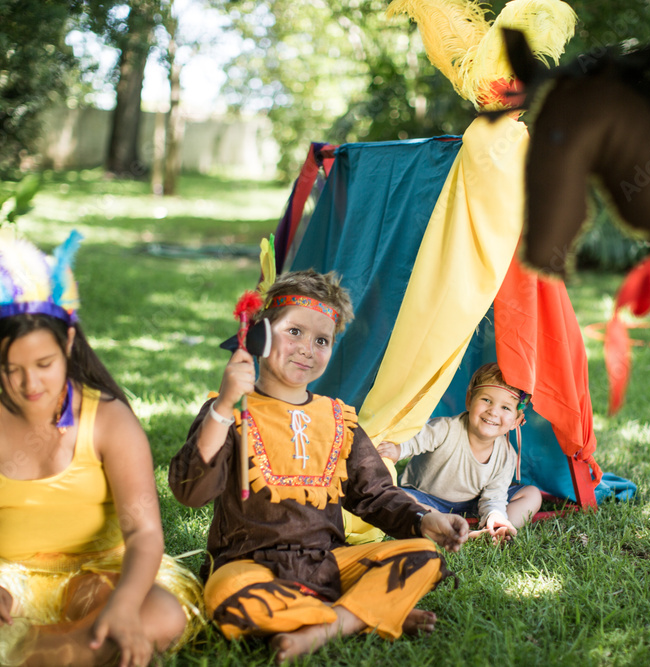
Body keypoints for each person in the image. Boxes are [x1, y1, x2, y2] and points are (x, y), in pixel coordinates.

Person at [0, 231, 203, 667]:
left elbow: (143, 533)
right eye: (11, 370)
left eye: (44, 365)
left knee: (160, 613)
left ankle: (36, 648)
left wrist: (121, 607)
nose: (30, 384)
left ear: (66, 345)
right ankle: (73, 648)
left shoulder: (109, 420)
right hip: (3, 588)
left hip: (99, 579)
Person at [168, 268, 469, 663]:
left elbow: (374, 494)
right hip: (249, 566)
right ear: (260, 333)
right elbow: (191, 492)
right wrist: (224, 408)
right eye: (294, 332)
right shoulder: (230, 412)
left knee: (422, 558)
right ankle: (363, 613)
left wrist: (423, 519)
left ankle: (324, 627)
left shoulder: (337, 419)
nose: (307, 348)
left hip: (327, 564)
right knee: (229, 599)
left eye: (321, 339)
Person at [377, 363, 543, 542]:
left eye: (506, 408)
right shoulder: (446, 429)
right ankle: (443, 526)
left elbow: (494, 496)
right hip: (426, 498)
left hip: (472, 504)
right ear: (469, 400)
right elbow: (417, 440)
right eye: (486, 400)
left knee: (532, 494)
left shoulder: (506, 455)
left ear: (515, 422)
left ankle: (498, 528)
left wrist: (495, 513)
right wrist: (398, 450)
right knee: (396, 496)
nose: (493, 411)